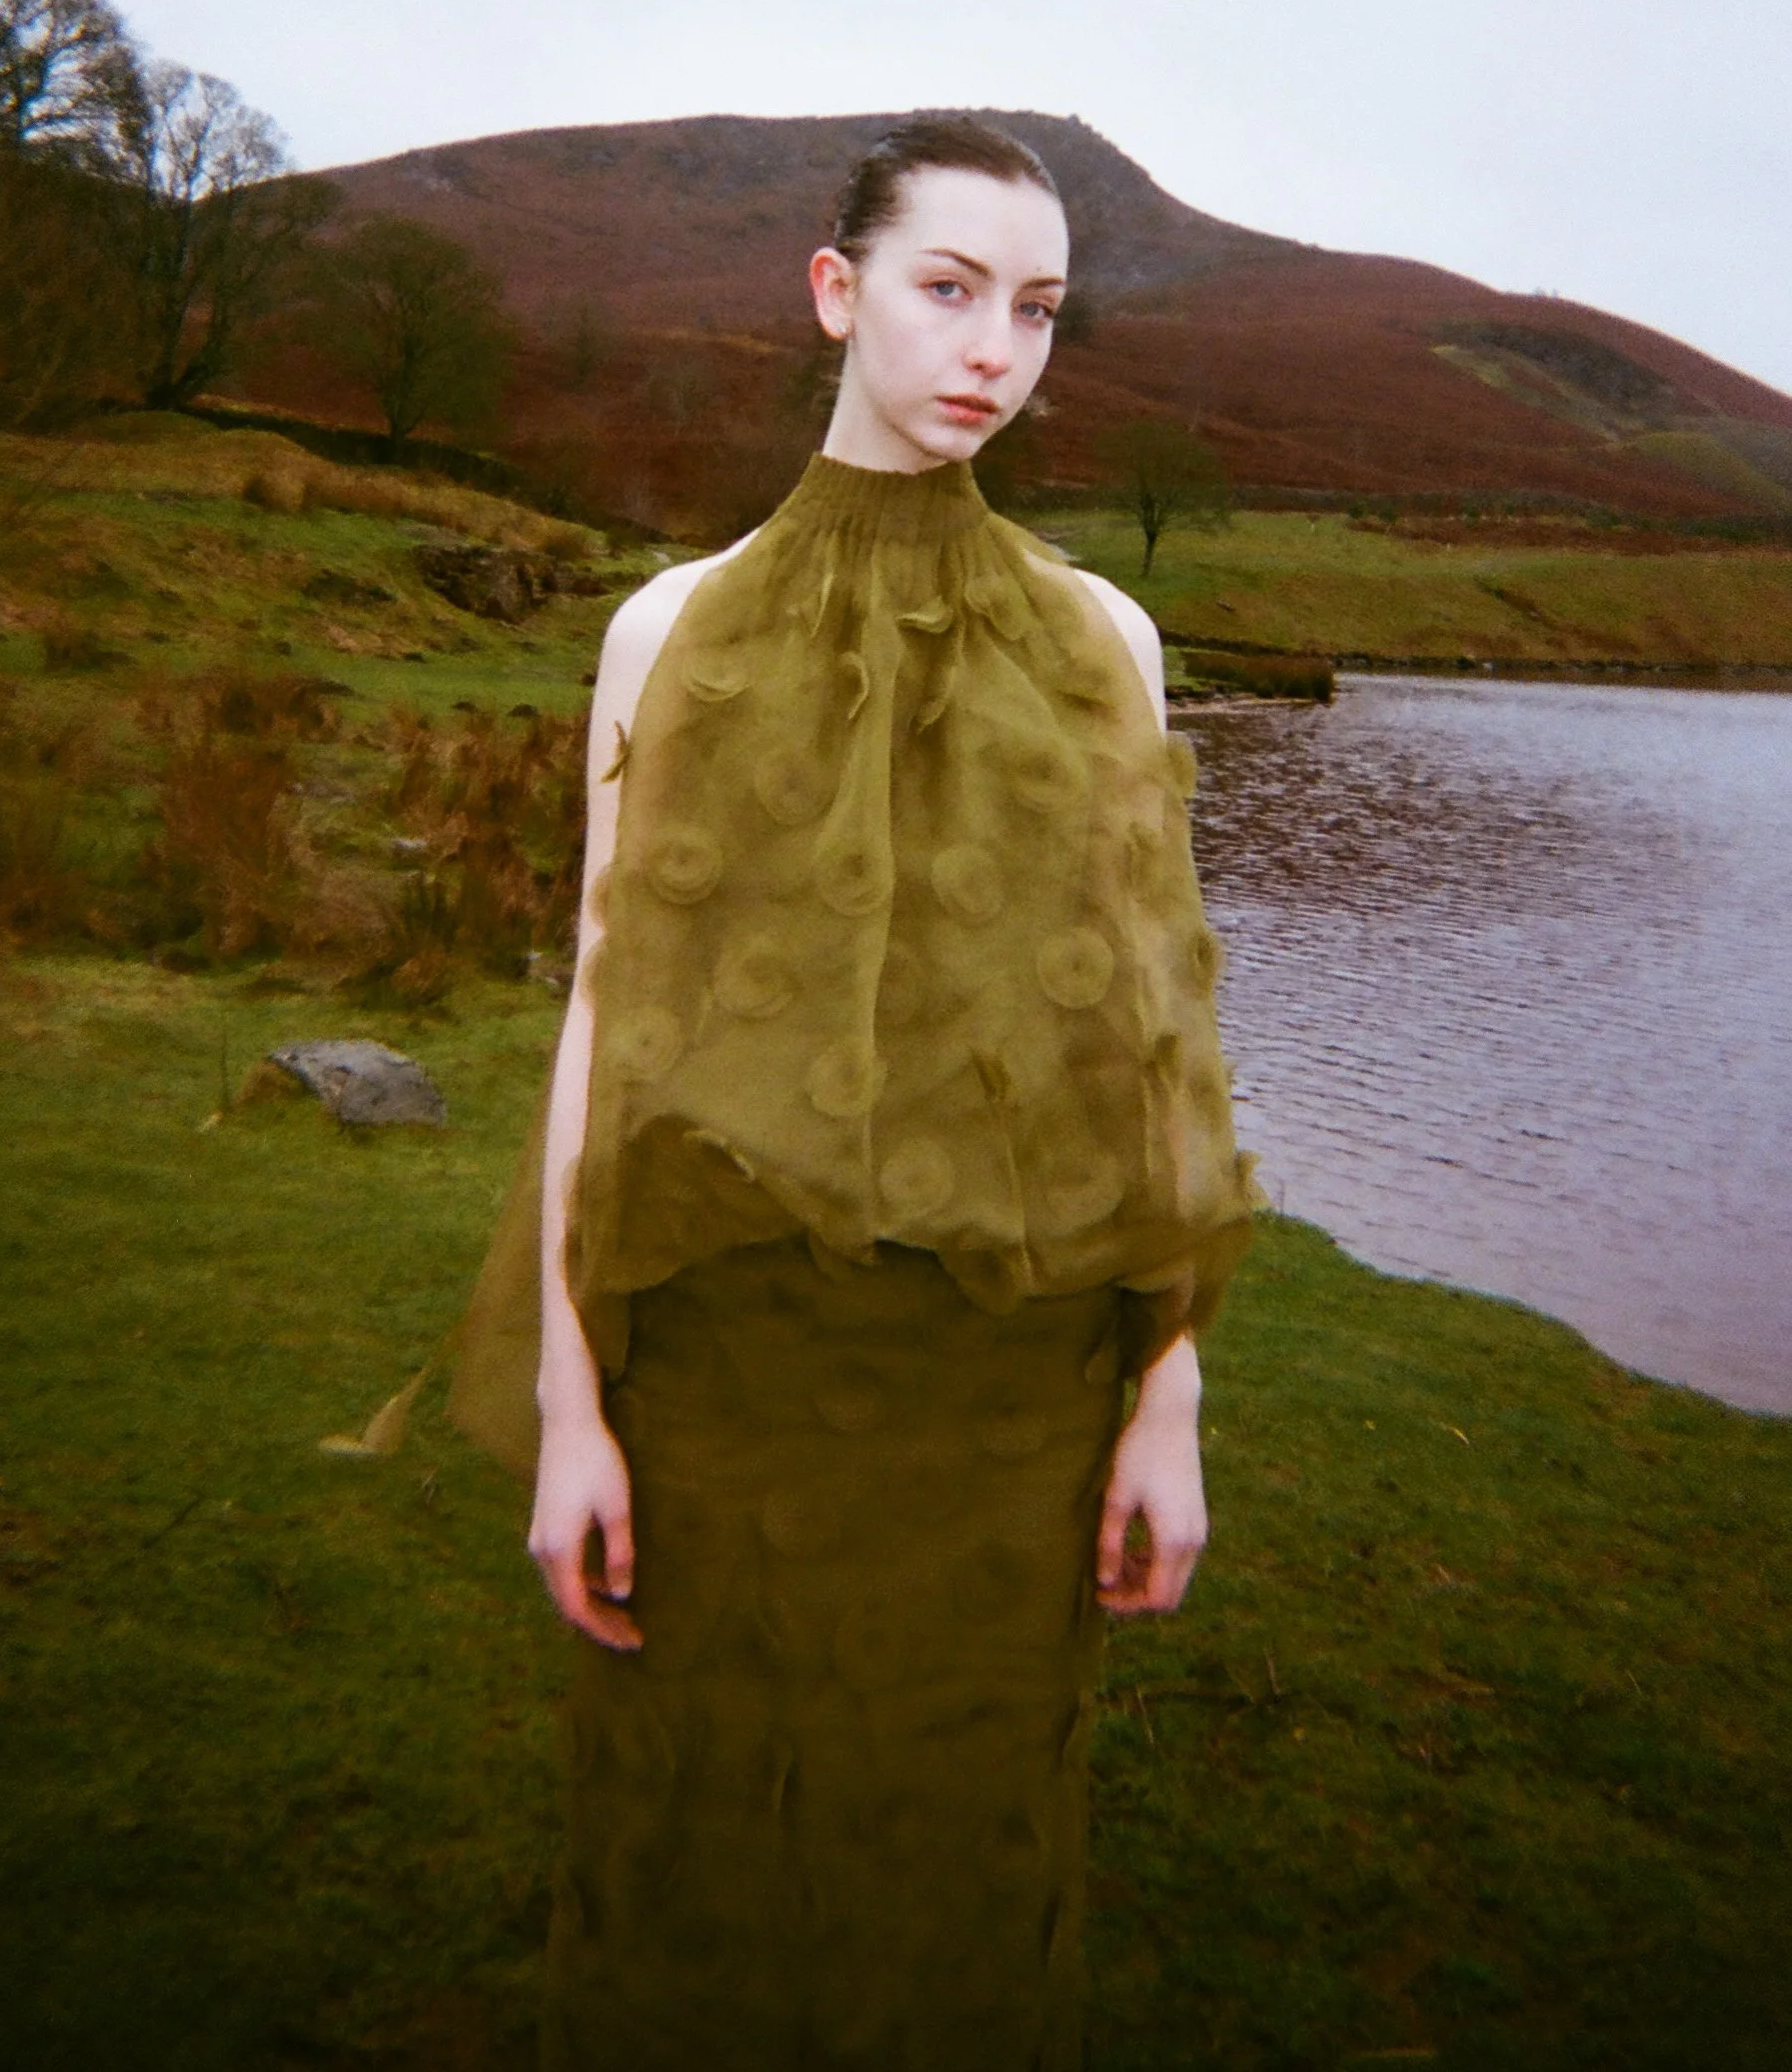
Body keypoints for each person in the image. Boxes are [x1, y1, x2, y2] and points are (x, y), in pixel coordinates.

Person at [448, 115, 1256, 2070]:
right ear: (837, 292)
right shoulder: (673, 631)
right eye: (948, 287)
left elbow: (1139, 1042)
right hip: (727, 1371)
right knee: (698, 1865)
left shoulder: (1104, 645)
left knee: (960, 1886)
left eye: (1039, 308)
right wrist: (574, 1399)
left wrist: (1169, 1388)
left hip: (1005, 1400)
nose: (995, 346)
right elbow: (606, 1017)